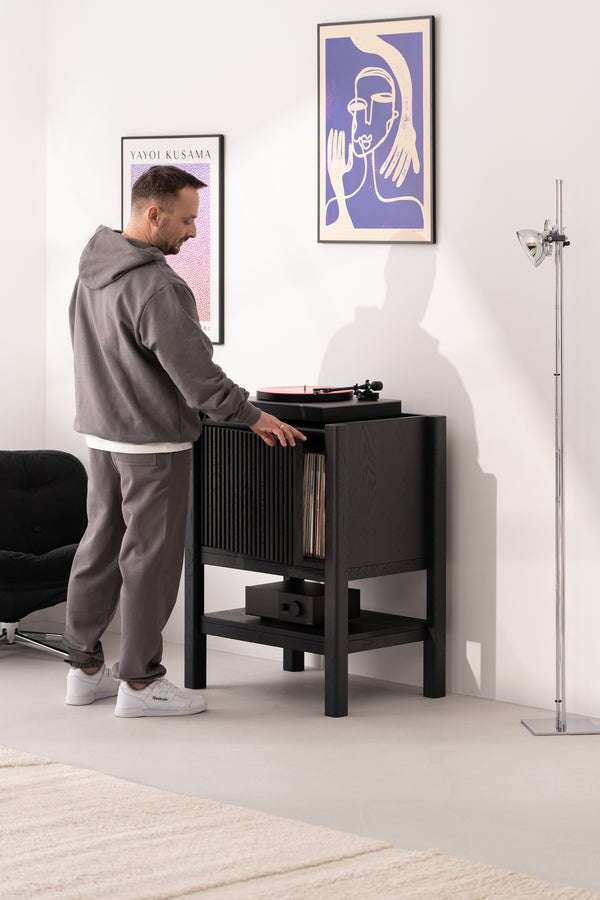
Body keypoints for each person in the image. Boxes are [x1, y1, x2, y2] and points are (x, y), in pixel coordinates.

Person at [63, 165, 305, 718]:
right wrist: (251, 415)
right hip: (151, 442)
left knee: (99, 547)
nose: (193, 232)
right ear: (154, 214)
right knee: (149, 561)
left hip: (101, 434)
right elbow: (196, 377)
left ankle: (84, 669)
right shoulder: (157, 285)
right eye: (187, 219)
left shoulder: (91, 269)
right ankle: (142, 686)